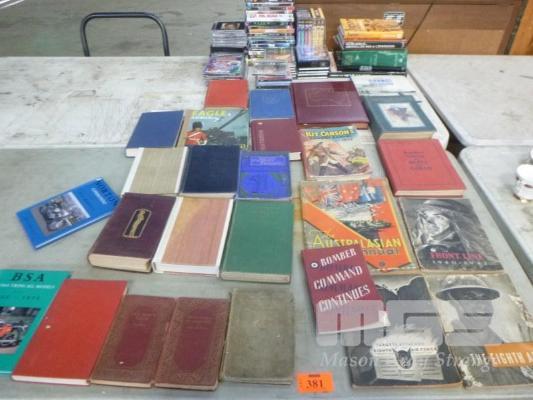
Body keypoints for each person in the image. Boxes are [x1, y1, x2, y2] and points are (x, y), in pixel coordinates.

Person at [435, 275, 533, 386]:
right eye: (469, 298)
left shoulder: (509, 345)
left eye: (485, 298)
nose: (482, 305)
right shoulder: (448, 347)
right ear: (454, 303)